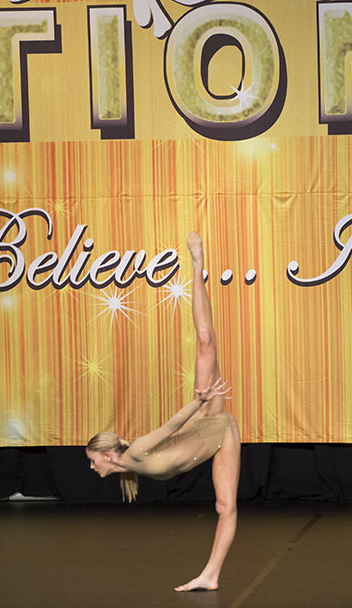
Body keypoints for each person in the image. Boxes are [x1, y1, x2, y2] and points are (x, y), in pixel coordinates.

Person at [86, 231, 241, 592]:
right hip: (216, 438)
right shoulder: (131, 466)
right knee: (225, 506)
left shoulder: (137, 451)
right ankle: (211, 575)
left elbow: (171, 426)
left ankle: (197, 265)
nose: (92, 467)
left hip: (207, 417)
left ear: (108, 454)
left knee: (206, 342)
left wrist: (200, 401)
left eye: (93, 460)